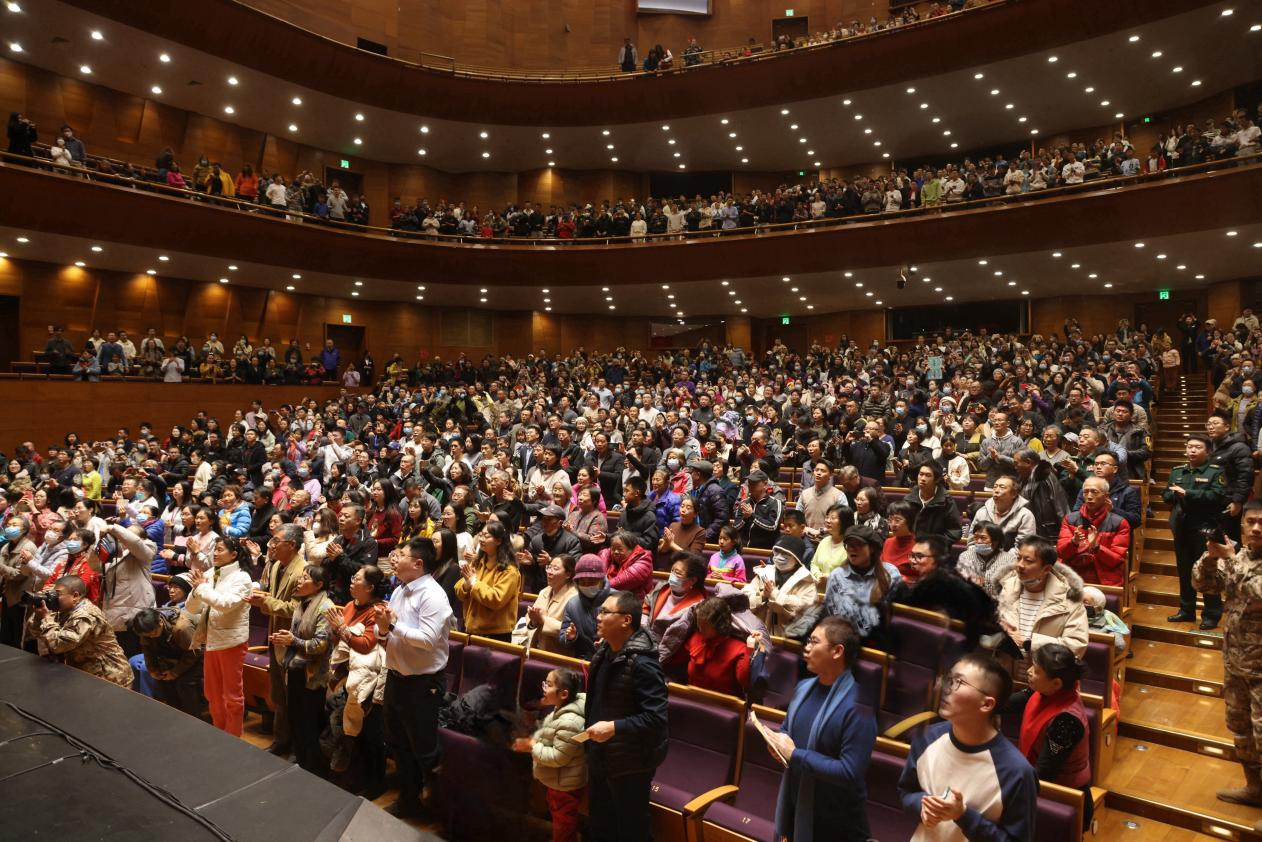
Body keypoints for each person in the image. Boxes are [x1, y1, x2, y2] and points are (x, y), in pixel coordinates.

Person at [898, 653, 1038, 841]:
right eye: (948, 679)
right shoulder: (926, 737)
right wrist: (922, 804)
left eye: (958, 682)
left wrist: (963, 815)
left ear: (986, 704)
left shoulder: (1017, 772)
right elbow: (906, 792)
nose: (943, 688)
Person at [767, 616, 877, 842]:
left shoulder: (860, 706)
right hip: (796, 808)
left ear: (837, 651)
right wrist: (778, 743)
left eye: (814, 642)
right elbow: (788, 729)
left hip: (837, 826)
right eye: (808, 641)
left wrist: (794, 755)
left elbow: (849, 772)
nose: (806, 647)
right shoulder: (803, 688)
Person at [374, 537, 454, 817]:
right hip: (396, 676)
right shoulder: (400, 590)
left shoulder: (433, 595)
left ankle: (439, 808)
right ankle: (408, 800)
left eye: (402, 555)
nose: (395, 559)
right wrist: (383, 629)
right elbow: (386, 633)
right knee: (398, 743)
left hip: (423, 684)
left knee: (424, 749)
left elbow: (428, 640)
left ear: (418, 563)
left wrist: (393, 626)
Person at [1194, 502, 1262, 824]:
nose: (1256, 528)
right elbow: (1202, 583)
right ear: (1243, 525)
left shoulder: (1237, 559)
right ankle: (1255, 788)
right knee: (1241, 730)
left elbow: (1257, 591)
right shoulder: (1240, 557)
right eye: (1251, 522)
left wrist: (1230, 559)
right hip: (1236, 662)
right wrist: (1210, 557)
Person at [583, 589, 669, 842]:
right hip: (601, 757)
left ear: (626, 620)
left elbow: (656, 718)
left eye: (605, 612)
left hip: (631, 764)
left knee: (632, 832)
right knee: (600, 828)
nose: (598, 617)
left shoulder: (645, 664)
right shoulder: (603, 653)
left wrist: (614, 727)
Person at [1007, 643, 1093, 825]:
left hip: (1062, 803)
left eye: (1036, 671)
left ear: (1056, 683)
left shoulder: (1067, 721)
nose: (1029, 671)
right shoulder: (1047, 691)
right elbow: (1016, 701)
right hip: (1039, 786)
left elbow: (1044, 772)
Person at [247, 523, 306, 754]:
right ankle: (281, 740)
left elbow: (296, 609)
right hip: (275, 637)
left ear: (291, 545)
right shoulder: (275, 566)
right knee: (279, 694)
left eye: (276, 541)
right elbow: (272, 599)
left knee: (293, 697)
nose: (271, 545)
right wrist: (262, 599)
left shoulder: (303, 571)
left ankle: (296, 746)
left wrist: (265, 602)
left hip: (294, 641)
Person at [185, 536, 253, 735]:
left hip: (231, 642)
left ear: (234, 554)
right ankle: (219, 733)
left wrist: (201, 587)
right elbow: (191, 608)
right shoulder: (209, 573)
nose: (215, 553)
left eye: (220, 550)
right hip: (211, 639)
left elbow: (224, 605)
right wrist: (197, 589)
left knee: (232, 696)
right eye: (214, 549)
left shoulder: (242, 578)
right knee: (212, 693)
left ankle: (233, 737)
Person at [514, 668, 587, 842]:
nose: (544, 689)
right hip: (560, 780)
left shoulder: (569, 722)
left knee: (563, 825)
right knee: (561, 821)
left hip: (564, 785)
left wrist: (532, 746)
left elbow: (557, 757)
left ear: (563, 694)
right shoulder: (563, 708)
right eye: (544, 683)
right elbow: (550, 733)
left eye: (548, 684)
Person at [1165, 433, 1229, 628]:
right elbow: (1166, 493)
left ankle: (1212, 613)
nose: (1192, 450)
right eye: (1189, 446)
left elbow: (1218, 497)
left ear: (1208, 451)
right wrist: (1171, 496)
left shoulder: (1215, 472)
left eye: (1197, 447)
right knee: (1184, 570)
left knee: (1207, 570)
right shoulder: (1177, 471)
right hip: (1182, 526)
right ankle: (1186, 610)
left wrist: (1188, 494)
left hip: (1204, 527)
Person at [995, 535, 1089, 665]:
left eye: (1028, 560)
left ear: (1046, 569)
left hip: (1044, 674)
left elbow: (1076, 646)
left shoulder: (1070, 599)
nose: (1020, 565)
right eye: (1018, 558)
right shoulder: (1007, 588)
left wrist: (1030, 643)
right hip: (1006, 670)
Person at [26, 575, 133, 687]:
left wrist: (46, 618)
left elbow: (58, 645)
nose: (54, 598)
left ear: (75, 596)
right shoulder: (64, 609)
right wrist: (39, 616)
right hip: (86, 672)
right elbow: (36, 632)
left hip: (110, 676)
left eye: (58, 594)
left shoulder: (86, 615)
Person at [130, 603, 202, 716]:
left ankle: (193, 717)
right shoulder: (146, 629)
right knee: (162, 677)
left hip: (200, 654)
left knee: (184, 683)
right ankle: (175, 714)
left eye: (154, 633)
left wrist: (175, 672)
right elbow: (147, 649)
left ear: (160, 622)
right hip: (176, 653)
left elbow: (194, 652)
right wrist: (153, 669)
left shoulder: (181, 627)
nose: (151, 636)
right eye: (148, 635)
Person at [1057, 477, 1130, 586]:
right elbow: (1061, 553)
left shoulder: (1119, 523)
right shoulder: (1070, 519)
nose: (1089, 496)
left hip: (1104, 579)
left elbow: (1116, 560)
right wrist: (1073, 542)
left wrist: (1096, 547)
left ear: (1106, 496)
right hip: (1072, 577)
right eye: (1086, 492)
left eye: (1094, 492)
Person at [743, 535, 817, 637]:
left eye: (785, 553)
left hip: (786, 638)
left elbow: (805, 610)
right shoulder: (764, 573)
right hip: (756, 633)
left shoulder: (806, 580)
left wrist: (776, 595)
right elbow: (743, 599)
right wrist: (762, 595)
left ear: (796, 559)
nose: (779, 556)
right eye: (777, 551)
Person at [526, 553, 579, 653]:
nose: (549, 572)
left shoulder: (574, 598)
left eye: (555, 569)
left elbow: (571, 631)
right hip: (536, 649)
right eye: (549, 567)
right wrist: (533, 620)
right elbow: (530, 619)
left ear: (568, 574)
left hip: (557, 654)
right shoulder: (544, 591)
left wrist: (543, 620)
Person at [560, 553, 610, 658]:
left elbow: (629, 635)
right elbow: (563, 637)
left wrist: (609, 642)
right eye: (582, 582)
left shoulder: (617, 599)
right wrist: (570, 637)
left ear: (602, 580)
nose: (587, 586)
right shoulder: (572, 604)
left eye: (592, 582)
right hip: (583, 660)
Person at [903, 462, 963, 544]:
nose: (923, 478)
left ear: (937, 479)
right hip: (912, 547)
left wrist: (932, 544)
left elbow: (954, 532)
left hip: (935, 549)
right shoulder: (908, 499)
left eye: (928, 475)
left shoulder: (947, 501)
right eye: (921, 474)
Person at [970, 475, 1037, 547]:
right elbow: (971, 542)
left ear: (1014, 494)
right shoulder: (981, 512)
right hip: (980, 553)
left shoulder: (1025, 515)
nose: (996, 491)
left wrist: (1001, 555)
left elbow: (1023, 546)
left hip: (1010, 554)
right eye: (995, 487)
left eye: (1002, 487)